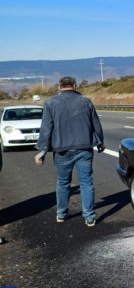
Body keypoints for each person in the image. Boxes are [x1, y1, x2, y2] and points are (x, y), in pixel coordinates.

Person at [34, 76, 105, 227]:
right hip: (84, 149)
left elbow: (46, 128)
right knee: (86, 183)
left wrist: (42, 151)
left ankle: (61, 214)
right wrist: (100, 143)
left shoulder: (50, 103)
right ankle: (89, 217)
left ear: (59, 87)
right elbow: (96, 124)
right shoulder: (85, 101)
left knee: (63, 183)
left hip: (62, 151)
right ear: (75, 85)